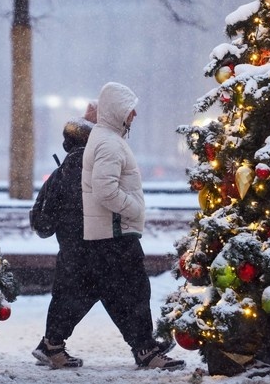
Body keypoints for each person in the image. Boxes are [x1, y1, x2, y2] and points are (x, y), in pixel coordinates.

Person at [80, 82, 185, 371]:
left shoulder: (106, 138)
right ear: (117, 110)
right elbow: (105, 191)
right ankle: (146, 349)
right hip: (116, 232)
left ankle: (143, 346)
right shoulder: (109, 143)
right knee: (135, 292)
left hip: (109, 232)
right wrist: (134, 208)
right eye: (130, 109)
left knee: (121, 295)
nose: (135, 114)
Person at [29, 113, 97, 368]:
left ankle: (51, 344)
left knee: (65, 293)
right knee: (76, 293)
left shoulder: (64, 168)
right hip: (83, 244)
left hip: (69, 244)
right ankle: (52, 345)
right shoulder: (81, 166)